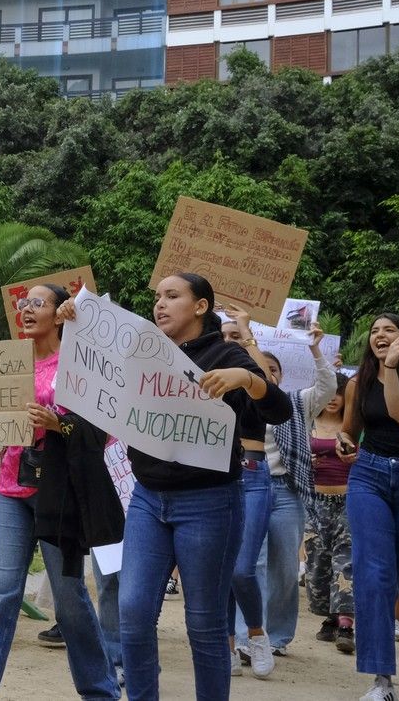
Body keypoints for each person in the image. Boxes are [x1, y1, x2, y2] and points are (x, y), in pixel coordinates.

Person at [71, 273, 290, 701]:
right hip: (147, 499)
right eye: (158, 297)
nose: (160, 304)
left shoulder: (227, 354)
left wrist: (246, 379)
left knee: (205, 622)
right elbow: (90, 357)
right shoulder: (142, 350)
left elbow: (278, 409)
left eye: (172, 296)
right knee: (133, 612)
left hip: (210, 503)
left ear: (201, 306)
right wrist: (73, 316)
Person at [0, 285, 120, 701]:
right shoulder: (9, 362)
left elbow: (101, 429)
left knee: (68, 598)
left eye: (38, 303)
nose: (27, 309)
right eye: (23, 303)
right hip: (11, 487)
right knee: (1, 593)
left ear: (59, 313)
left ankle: (100, 691)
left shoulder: (80, 361)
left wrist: (55, 423)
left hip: (59, 493)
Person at [221, 308, 335, 667]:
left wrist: (315, 350)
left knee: (285, 565)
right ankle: (245, 637)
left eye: (273, 369)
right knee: (249, 563)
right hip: (245, 483)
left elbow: (329, 387)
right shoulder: (233, 398)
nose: (266, 373)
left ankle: (279, 636)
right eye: (261, 368)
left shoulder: (297, 402)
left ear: (280, 376)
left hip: (285, 491)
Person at [339, 313, 399, 701]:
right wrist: (344, 441)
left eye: (390, 330)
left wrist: (394, 368)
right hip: (368, 476)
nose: (380, 335)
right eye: (374, 331)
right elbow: (349, 430)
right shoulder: (359, 382)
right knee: (374, 575)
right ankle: (381, 681)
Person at [306, 372, 355, 653]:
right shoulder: (307, 422)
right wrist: (306, 460)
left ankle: (346, 623)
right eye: (330, 392)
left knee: (346, 561)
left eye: (340, 392)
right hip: (314, 501)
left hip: (348, 500)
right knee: (317, 562)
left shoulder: (354, 426)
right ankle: (331, 616)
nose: (334, 398)